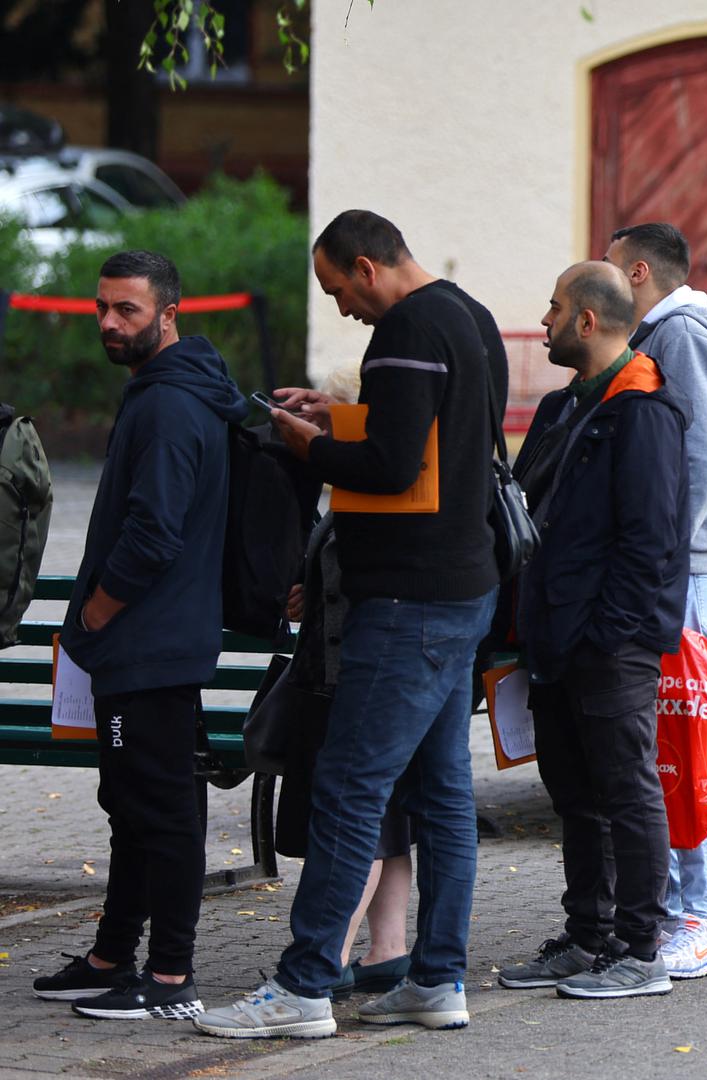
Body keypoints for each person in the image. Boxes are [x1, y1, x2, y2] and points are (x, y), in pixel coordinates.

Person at [196, 210, 506, 1038]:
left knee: (348, 789)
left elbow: (394, 466)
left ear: (367, 267)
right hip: (462, 587)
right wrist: (335, 418)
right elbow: (431, 439)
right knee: (442, 794)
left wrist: (307, 446)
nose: (342, 311)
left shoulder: (405, 328)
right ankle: (438, 980)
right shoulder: (465, 315)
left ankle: (301, 990)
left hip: (406, 602)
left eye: (339, 291)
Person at [34, 251, 247, 1022]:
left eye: (127, 310)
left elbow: (153, 533)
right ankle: (110, 955)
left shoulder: (168, 405)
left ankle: (167, 978)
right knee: (133, 805)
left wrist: (97, 611)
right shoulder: (166, 390)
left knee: (161, 811)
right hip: (151, 643)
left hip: (149, 645)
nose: (109, 323)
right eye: (102, 308)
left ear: (169, 314)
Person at [499, 261, 689, 1000]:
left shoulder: (643, 408)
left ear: (587, 320)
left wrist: (606, 634)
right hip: (553, 636)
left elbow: (651, 542)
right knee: (574, 792)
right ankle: (588, 937)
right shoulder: (560, 409)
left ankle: (641, 951)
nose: (542, 322)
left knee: (627, 789)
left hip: (611, 644)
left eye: (552, 310)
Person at [604, 223, 707, 980]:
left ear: (640, 270)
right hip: (679, 563)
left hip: (683, 566)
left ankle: (701, 918)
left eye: (610, 266)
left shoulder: (679, 334)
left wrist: (663, 548)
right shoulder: (669, 331)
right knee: (666, 743)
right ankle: (677, 910)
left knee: (681, 743)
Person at [280, 364, 414, 1003]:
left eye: (323, 420)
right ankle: (388, 946)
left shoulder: (365, 496)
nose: (312, 433)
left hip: (352, 680)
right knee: (387, 821)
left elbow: (366, 581)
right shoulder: (349, 497)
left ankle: (329, 952)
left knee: (355, 817)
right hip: (358, 674)